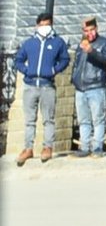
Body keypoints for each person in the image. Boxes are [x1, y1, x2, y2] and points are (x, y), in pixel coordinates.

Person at [13, 10, 70, 165]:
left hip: (47, 86)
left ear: (51, 25)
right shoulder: (29, 43)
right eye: (42, 24)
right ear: (37, 25)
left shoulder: (58, 42)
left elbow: (65, 59)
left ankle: (47, 147)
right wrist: (27, 70)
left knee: (48, 119)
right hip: (30, 86)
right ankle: (28, 149)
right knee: (29, 120)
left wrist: (53, 70)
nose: (44, 27)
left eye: (47, 24)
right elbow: (18, 60)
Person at [71, 16, 106, 157]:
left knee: (98, 119)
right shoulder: (81, 44)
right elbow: (77, 63)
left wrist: (92, 51)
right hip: (80, 88)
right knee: (83, 120)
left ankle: (97, 148)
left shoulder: (105, 43)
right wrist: (74, 78)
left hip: (96, 86)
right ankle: (84, 147)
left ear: (96, 29)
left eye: (91, 30)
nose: (89, 33)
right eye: (86, 31)